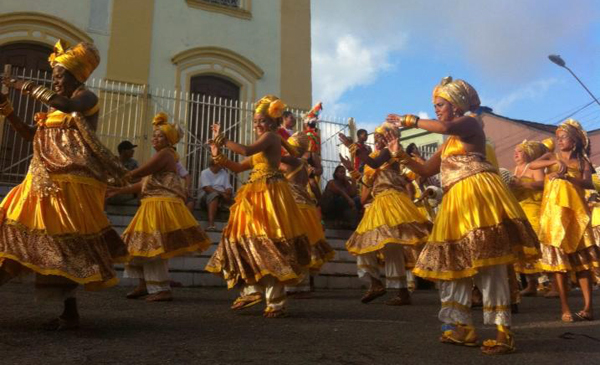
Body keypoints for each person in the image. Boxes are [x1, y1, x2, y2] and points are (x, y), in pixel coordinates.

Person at [385, 76, 538, 355]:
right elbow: (425, 171)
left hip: (477, 194)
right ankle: (461, 327)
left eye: (440, 104)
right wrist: (399, 155)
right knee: (453, 263)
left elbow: (443, 126)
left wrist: (410, 120)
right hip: (455, 201)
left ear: (456, 105)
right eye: (435, 105)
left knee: (487, 259)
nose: (436, 109)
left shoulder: (469, 122)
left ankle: (504, 332)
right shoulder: (448, 142)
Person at [0, 40, 129, 330]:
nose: (55, 81)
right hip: (42, 180)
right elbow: (28, 135)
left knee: (63, 246)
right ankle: (69, 314)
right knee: (9, 228)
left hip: (72, 184)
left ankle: (70, 313)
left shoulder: (86, 98)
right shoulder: (52, 111)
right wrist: (8, 111)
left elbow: (68, 104)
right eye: (54, 76)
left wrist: (24, 86)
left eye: (60, 76)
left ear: (76, 76)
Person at [205, 95, 311, 318]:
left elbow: (245, 151)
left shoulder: (271, 137)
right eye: (255, 122)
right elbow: (236, 167)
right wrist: (218, 155)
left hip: (270, 193)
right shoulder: (262, 144)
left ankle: (276, 301)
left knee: (271, 242)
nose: (257, 125)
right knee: (245, 240)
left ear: (272, 122)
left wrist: (222, 139)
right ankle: (251, 290)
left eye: (261, 121)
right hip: (253, 195)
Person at [107, 112, 210, 302]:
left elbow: (142, 172)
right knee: (139, 244)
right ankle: (144, 284)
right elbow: (144, 183)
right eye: (154, 135)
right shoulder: (160, 155)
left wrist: (119, 175)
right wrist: (118, 190)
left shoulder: (165, 154)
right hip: (151, 203)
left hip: (160, 205)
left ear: (169, 140)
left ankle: (162, 288)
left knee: (154, 247)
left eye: (160, 135)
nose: (155, 138)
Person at [339, 123, 432, 305]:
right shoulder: (374, 157)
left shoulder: (391, 151)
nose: (377, 142)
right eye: (376, 140)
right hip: (378, 202)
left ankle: (401, 291)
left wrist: (353, 145)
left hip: (393, 200)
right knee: (364, 243)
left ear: (389, 138)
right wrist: (352, 169)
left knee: (393, 246)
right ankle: (375, 283)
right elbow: (369, 186)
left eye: (380, 138)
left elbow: (374, 163)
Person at [528, 118, 600, 322]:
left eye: (563, 137)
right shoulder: (552, 155)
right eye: (557, 138)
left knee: (583, 264)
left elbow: (588, 183)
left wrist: (568, 177)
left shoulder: (582, 162)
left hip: (576, 215)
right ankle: (565, 308)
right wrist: (553, 163)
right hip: (554, 216)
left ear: (575, 141)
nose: (559, 141)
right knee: (559, 265)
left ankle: (588, 307)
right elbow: (533, 164)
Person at [280, 132, 335, 295]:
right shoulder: (304, 163)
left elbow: (272, 160)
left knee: (293, 245)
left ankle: (293, 285)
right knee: (304, 246)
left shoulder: (293, 161)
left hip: (295, 206)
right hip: (307, 207)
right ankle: (302, 286)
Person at [510, 139, 550, 296]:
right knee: (523, 246)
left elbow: (542, 184)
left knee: (538, 244)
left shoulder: (533, 167)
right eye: (515, 151)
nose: (516, 154)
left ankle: (552, 283)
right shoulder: (516, 169)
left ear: (529, 153)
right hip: (520, 209)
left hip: (534, 209)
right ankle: (531, 283)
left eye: (519, 151)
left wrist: (523, 185)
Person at [199, 159, 233, 230]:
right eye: (221, 163)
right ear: (216, 164)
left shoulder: (224, 173)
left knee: (236, 198)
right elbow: (207, 189)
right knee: (214, 195)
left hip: (221, 195)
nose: (223, 165)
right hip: (207, 195)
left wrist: (226, 192)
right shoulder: (205, 173)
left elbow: (228, 188)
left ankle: (232, 226)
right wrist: (222, 193)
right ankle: (211, 225)